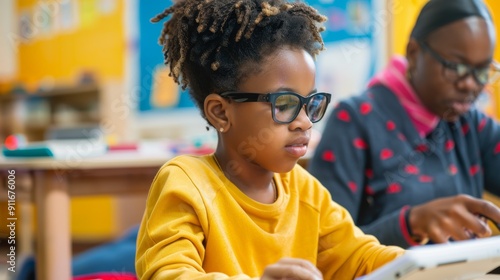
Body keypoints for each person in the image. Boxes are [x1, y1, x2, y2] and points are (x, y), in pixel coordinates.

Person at [135, 0, 404, 279]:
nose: (305, 121)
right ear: (220, 113)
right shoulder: (187, 185)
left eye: (310, 102)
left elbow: (359, 257)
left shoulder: (306, 192)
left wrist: (424, 263)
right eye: (285, 103)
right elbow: (169, 274)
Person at [308, 0, 500, 249]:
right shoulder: (355, 121)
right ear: (414, 53)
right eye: (456, 68)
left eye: (482, 72)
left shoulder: (468, 122)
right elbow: (326, 247)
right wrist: (410, 224)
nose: (470, 84)